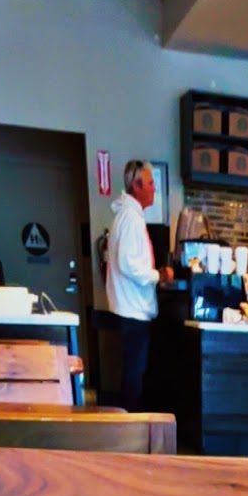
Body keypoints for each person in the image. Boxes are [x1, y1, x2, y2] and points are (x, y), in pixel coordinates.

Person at [106, 159, 172, 409]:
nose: (154, 188)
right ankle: (132, 426)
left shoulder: (126, 215)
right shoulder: (131, 218)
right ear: (136, 185)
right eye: (151, 183)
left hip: (129, 309)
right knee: (134, 376)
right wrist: (158, 275)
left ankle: (130, 422)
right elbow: (128, 263)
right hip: (133, 311)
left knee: (132, 373)